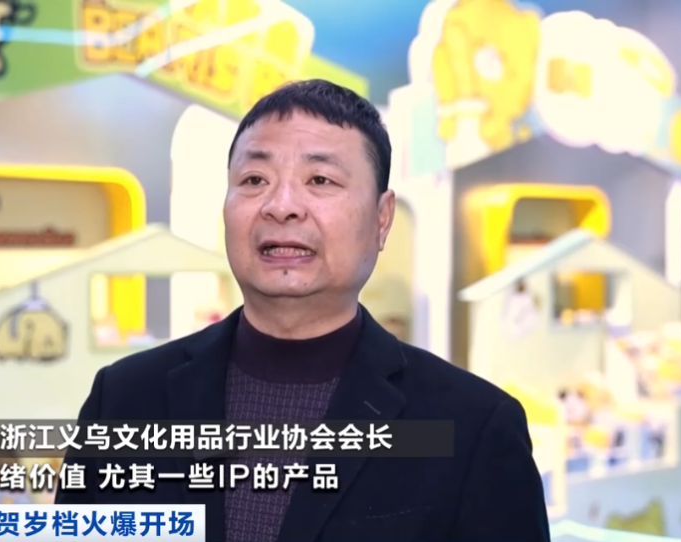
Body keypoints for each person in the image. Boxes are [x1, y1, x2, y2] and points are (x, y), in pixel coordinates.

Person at [56, 80, 549, 542]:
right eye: (254, 179)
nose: (282, 205)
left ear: (382, 219)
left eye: (320, 179)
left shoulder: (473, 426)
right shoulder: (123, 399)